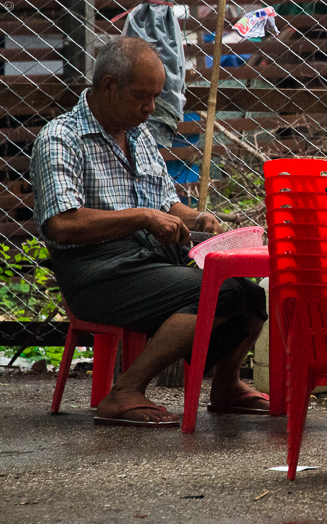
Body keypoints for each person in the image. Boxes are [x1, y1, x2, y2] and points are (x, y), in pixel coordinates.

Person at [31, 37, 268, 427]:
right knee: (219, 292)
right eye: (142, 96)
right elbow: (62, 223)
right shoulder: (61, 138)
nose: (151, 107)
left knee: (248, 293)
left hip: (148, 261)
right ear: (108, 86)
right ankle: (124, 392)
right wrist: (141, 217)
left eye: (156, 96)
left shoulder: (138, 135)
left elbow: (164, 203)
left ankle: (225, 386)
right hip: (97, 273)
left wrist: (197, 218)